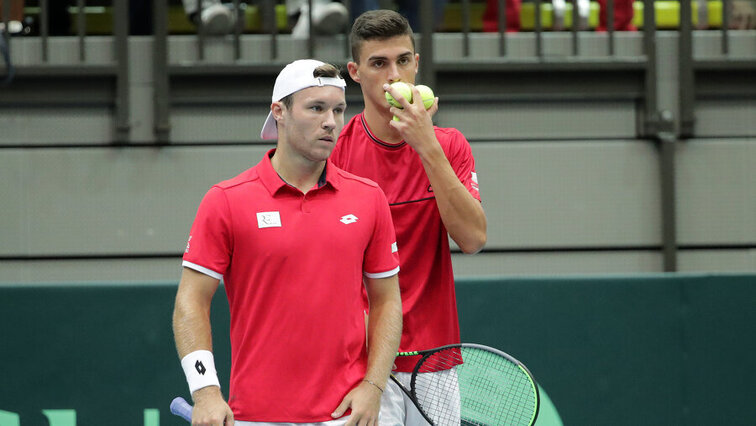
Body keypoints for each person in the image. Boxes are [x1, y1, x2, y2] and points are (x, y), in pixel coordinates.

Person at [173, 59, 403, 425]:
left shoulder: (369, 198)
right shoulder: (226, 200)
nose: (331, 121)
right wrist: (205, 392)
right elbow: (190, 302)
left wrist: (374, 386)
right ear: (278, 112)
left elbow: (387, 301)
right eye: (316, 108)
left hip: (345, 415)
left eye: (338, 109)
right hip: (256, 415)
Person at [330, 9, 487, 425]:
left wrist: (426, 146)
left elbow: (472, 238)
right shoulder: (334, 156)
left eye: (403, 60)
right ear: (355, 73)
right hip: (358, 366)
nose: (393, 76)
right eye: (378, 64)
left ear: (417, 64)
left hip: (432, 363)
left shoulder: (449, 146)